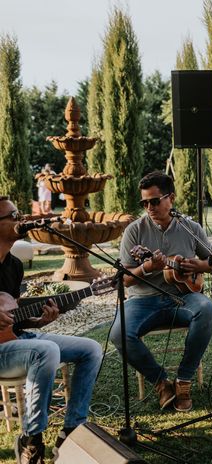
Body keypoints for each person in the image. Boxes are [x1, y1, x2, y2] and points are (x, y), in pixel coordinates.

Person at [0, 196, 103, 463]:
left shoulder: (14, 266)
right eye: (12, 216)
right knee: (45, 350)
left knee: (90, 348)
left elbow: (13, 317)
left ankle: (71, 429)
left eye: (19, 214)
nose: (19, 220)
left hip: (17, 340)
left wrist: (39, 321)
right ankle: (31, 439)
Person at [109, 171, 212, 412]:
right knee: (119, 333)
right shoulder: (134, 232)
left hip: (184, 296)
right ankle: (161, 383)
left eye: (155, 201)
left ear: (171, 199)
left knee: (206, 307)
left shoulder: (190, 228)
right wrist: (147, 266)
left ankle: (184, 380)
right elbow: (124, 279)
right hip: (144, 299)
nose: (149, 207)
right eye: (144, 202)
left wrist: (196, 265)